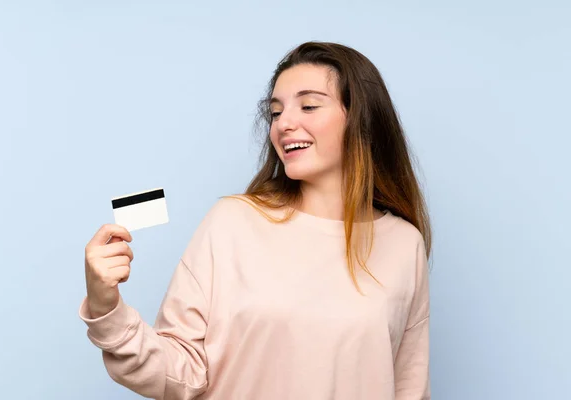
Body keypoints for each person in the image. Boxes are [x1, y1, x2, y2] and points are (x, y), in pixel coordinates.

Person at [80, 41, 432, 400]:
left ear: (362, 119)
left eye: (308, 106)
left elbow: (409, 387)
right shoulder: (232, 222)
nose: (284, 124)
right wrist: (107, 308)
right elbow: (180, 372)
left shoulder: (405, 245)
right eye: (276, 113)